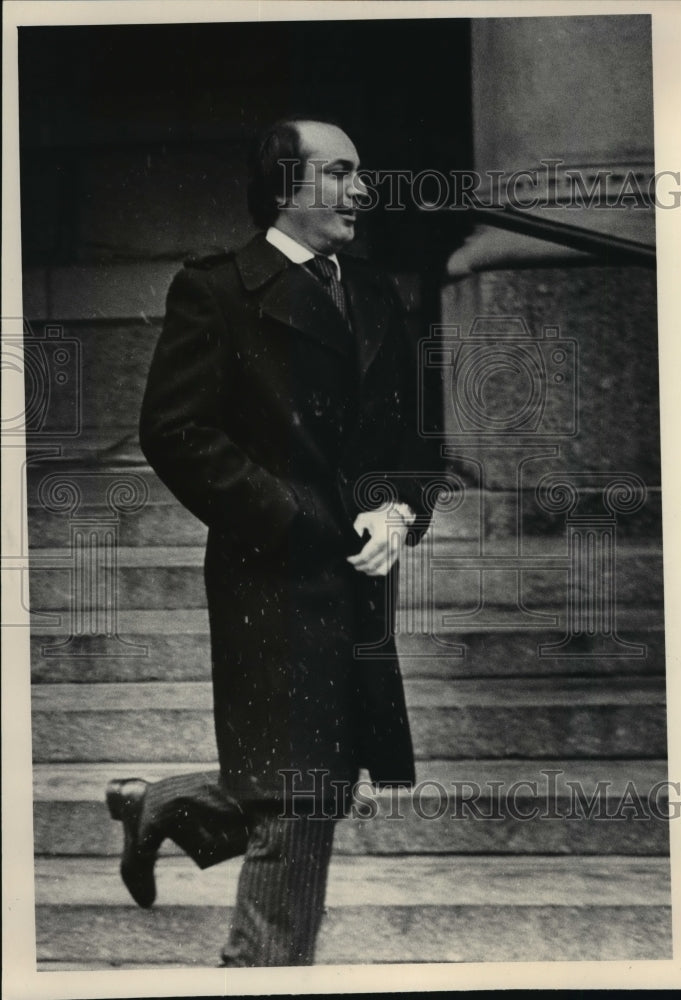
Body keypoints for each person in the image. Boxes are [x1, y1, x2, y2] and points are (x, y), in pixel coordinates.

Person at [105, 114, 445, 967]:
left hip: (361, 573)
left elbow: (413, 441)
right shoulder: (220, 288)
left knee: (319, 770)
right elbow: (176, 432)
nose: (361, 191)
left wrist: (395, 511)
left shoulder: (373, 293)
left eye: (359, 173)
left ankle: (164, 806)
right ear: (284, 187)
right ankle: (259, 971)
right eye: (339, 174)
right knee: (301, 784)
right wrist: (293, 517)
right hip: (272, 571)